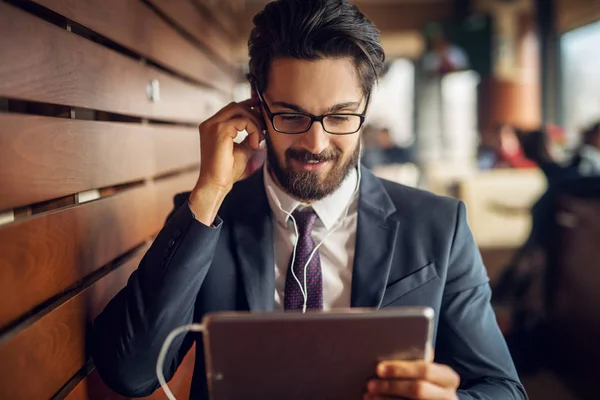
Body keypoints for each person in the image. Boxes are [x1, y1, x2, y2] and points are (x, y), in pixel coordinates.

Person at [90, 1, 526, 399]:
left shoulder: (438, 226)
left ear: (366, 107)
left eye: (340, 115)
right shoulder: (207, 219)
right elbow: (131, 373)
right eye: (292, 115)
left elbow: (503, 389)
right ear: (257, 105)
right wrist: (209, 190)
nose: (316, 143)